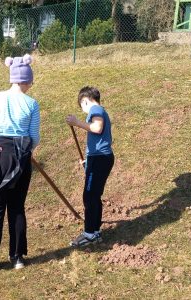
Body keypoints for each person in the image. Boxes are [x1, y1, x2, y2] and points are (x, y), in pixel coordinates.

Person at [0, 54, 40, 271]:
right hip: (21, 155)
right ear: (27, 80)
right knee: (17, 207)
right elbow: (35, 137)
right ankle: (18, 258)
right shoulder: (32, 104)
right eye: (31, 80)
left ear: (12, 78)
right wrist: (23, 147)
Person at [65, 86, 114, 247]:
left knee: (89, 196)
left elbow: (97, 128)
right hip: (98, 158)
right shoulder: (100, 110)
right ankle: (95, 230)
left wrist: (77, 122)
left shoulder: (96, 110)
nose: (84, 113)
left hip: (100, 158)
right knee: (94, 195)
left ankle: (89, 234)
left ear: (85, 101)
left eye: (82, 108)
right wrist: (88, 160)